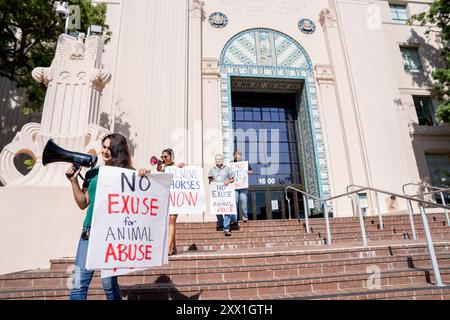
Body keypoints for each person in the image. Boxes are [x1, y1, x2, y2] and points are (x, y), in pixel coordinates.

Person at [66, 133, 137, 300]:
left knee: (109, 285)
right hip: (89, 232)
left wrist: (143, 174)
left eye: (109, 148)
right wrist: (73, 181)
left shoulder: (127, 173)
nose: (104, 151)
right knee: (78, 284)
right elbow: (83, 202)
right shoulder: (93, 172)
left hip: (111, 235)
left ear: (118, 151)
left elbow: (139, 195)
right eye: (103, 147)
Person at [141, 148, 184, 256]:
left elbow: (186, 175)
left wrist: (182, 168)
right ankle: (174, 248)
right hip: (166, 198)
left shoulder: (177, 167)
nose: (163, 159)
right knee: (170, 222)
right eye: (162, 157)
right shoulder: (163, 168)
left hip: (175, 198)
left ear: (171, 157)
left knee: (171, 221)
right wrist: (158, 170)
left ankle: (168, 248)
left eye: (166, 156)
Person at [208, 154, 235, 236]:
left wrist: (228, 181)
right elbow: (210, 180)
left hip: (226, 193)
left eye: (220, 159)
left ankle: (226, 227)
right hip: (217, 193)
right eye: (216, 159)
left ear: (223, 160)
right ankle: (221, 224)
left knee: (227, 210)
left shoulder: (228, 168)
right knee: (217, 210)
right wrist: (210, 180)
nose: (218, 161)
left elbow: (233, 179)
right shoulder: (212, 169)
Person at [232, 150, 253, 222]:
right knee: (235, 201)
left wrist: (249, 172)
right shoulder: (231, 164)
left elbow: (251, 171)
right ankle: (234, 218)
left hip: (243, 186)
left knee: (243, 200)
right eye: (235, 155)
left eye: (238, 155)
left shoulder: (245, 163)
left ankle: (245, 217)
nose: (236, 156)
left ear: (240, 156)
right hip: (235, 187)